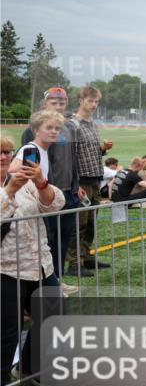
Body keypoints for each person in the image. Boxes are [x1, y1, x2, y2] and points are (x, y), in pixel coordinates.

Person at [1, 134, 65, 386]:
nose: (4, 158)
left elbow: (54, 204)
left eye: (7, 152)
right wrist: (8, 192)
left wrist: (40, 182)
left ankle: (32, 370)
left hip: (40, 265)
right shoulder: (13, 186)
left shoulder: (24, 181)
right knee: (7, 332)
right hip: (6, 270)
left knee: (52, 320)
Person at [20, 88, 86, 278]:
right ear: (45, 104)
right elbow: (30, 164)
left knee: (63, 240)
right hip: (47, 194)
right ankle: (45, 281)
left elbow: (73, 160)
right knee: (47, 240)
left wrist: (77, 185)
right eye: (54, 102)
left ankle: (57, 279)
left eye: (62, 102)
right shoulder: (32, 129)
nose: (58, 106)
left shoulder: (70, 127)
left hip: (69, 194)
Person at [66, 86, 113, 274]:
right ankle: (74, 263)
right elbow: (69, 156)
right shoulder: (71, 125)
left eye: (96, 102)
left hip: (94, 178)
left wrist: (103, 149)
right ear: (80, 100)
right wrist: (75, 184)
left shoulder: (92, 124)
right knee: (80, 223)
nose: (93, 105)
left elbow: (90, 152)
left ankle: (86, 257)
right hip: (81, 181)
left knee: (91, 223)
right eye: (90, 101)